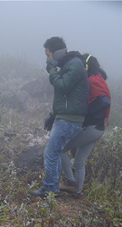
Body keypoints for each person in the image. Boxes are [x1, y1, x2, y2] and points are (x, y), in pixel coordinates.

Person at [30, 36, 89, 197]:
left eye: (48, 55)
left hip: (70, 120)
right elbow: (65, 97)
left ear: (56, 54)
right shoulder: (69, 64)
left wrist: (52, 71)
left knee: (50, 152)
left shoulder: (74, 65)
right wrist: (53, 115)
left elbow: (62, 87)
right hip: (66, 118)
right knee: (54, 152)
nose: (47, 59)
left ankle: (50, 189)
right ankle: (52, 187)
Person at [59, 54, 111, 194]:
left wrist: (85, 113)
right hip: (98, 129)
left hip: (92, 127)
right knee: (79, 161)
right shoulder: (98, 78)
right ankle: (78, 192)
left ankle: (70, 181)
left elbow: (105, 101)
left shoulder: (93, 79)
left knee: (61, 149)